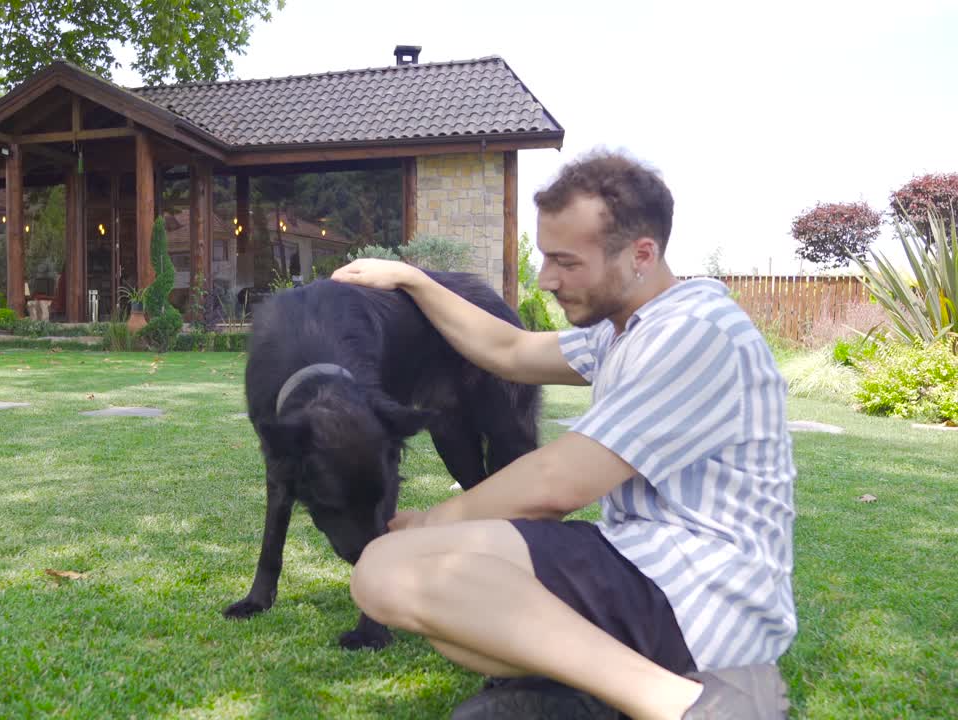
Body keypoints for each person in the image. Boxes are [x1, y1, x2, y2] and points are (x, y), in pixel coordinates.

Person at [330, 151, 795, 720]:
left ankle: (690, 703)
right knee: (458, 622)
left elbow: (556, 483)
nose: (547, 279)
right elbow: (510, 351)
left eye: (565, 262)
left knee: (390, 571)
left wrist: (428, 522)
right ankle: (586, 693)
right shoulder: (628, 328)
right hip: (643, 559)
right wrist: (416, 282)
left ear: (641, 255)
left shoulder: (692, 333)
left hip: (705, 592)